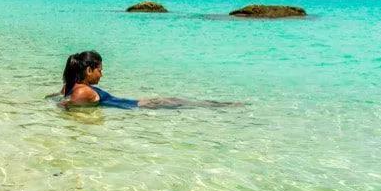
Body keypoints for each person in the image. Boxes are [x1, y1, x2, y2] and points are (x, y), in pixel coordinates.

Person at [59, 51, 244, 110]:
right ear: (89, 69)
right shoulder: (82, 91)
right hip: (136, 107)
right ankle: (226, 106)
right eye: (100, 70)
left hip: (133, 104)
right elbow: (67, 103)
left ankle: (222, 105)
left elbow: (62, 98)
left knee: (180, 102)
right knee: (184, 103)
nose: (102, 74)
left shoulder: (69, 86)